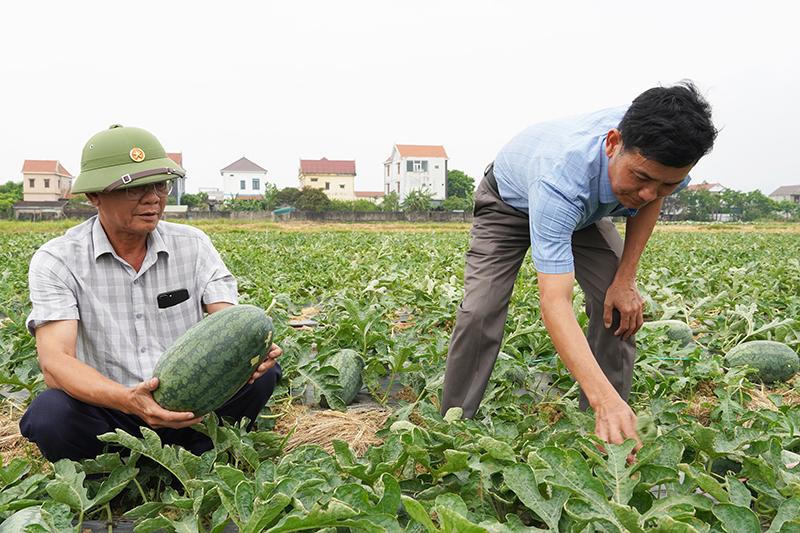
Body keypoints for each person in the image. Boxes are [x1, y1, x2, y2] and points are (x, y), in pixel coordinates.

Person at [440, 81, 717, 447]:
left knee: (615, 300)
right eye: (641, 178)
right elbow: (555, 303)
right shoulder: (560, 178)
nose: (650, 193)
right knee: (481, 309)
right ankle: (453, 426)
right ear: (613, 143)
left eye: (667, 185)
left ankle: (607, 434)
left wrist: (626, 279)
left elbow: (648, 200)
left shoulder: (663, 153)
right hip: (509, 203)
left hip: (584, 214)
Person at [19, 125, 283, 462]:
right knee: (50, 414)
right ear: (94, 195)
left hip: (194, 409)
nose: (154, 198)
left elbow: (228, 321)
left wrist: (256, 352)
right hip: (112, 409)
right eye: (134, 188)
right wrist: (128, 399)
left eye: (160, 184)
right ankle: (160, 455)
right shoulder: (58, 259)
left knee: (264, 377)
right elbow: (56, 362)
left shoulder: (194, 246)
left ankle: (191, 448)